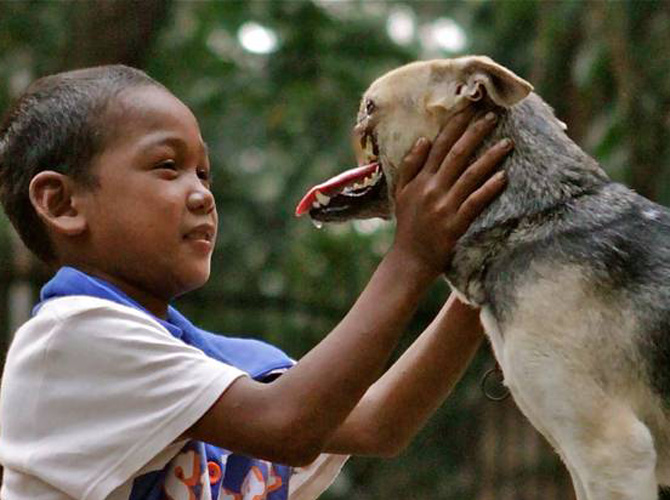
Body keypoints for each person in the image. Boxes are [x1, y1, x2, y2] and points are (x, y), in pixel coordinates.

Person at [0, 65, 511, 500]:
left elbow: (379, 423)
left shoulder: (213, 364)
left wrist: (482, 267)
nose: (201, 195)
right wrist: (413, 255)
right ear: (62, 204)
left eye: (204, 174)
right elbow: (287, 425)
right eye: (167, 167)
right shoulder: (72, 338)